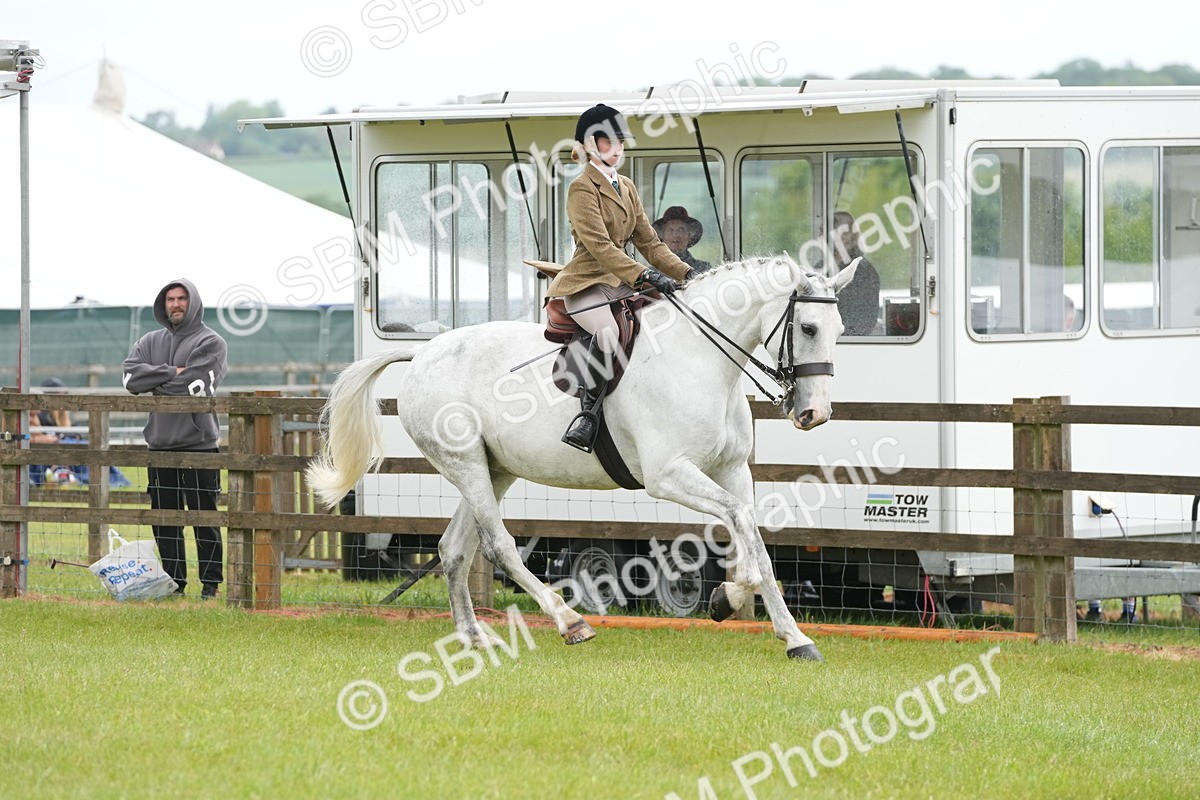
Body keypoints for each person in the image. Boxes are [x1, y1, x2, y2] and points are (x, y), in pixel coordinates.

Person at [546, 104, 693, 452]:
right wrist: (645, 274)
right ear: (590, 144)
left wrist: (689, 274)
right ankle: (588, 416)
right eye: (608, 143)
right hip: (585, 283)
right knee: (609, 333)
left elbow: (650, 242)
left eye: (621, 143)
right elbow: (600, 248)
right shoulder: (582, 189)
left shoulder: (625, 186)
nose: (617, 150)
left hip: (622, 281)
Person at [122, 279, 228, 599]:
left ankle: (210, 586)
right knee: (165, 520)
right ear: (163, 304)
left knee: (204, 519)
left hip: (200, 445)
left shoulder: (212, 342)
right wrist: (172, 371)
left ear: (192, 302)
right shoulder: (149, 340)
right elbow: (130, 379)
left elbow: (194, 386)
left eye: (182, 298)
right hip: (160, 445)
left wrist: (155, 380)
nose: (176, 304)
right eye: (171, 299)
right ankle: (174, 585)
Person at [30, 378, 132, 487]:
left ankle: (110, 479)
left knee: (90, 449)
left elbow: (75, 434)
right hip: (54, 453)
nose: (63, 399)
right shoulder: (39, 417)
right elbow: (41, 437)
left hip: (69, 450)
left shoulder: (66, 417)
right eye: (60, 395)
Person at [821, 211, 881, 336]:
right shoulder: (820, 267)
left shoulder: (863, 272)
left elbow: (863, 323)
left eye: (822, 232)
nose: (818, 238)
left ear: (840, 237)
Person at [652, 205, 712, 273]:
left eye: (681, 230)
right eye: (670, 230)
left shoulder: (704, 270)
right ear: (662, 237)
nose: (675, 235)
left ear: (689, 236)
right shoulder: (653, 273)